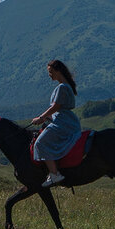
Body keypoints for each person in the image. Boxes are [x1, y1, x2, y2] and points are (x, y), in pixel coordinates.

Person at [30, 59, 80, 188]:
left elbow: (56, 106)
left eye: (51, 72)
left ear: (58, 71)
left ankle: (54, 174)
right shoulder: (66, 86)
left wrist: (41, 117)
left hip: (62, 122)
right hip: (65, 120)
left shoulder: (62, 87)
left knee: (40, 143)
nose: (49, 75)